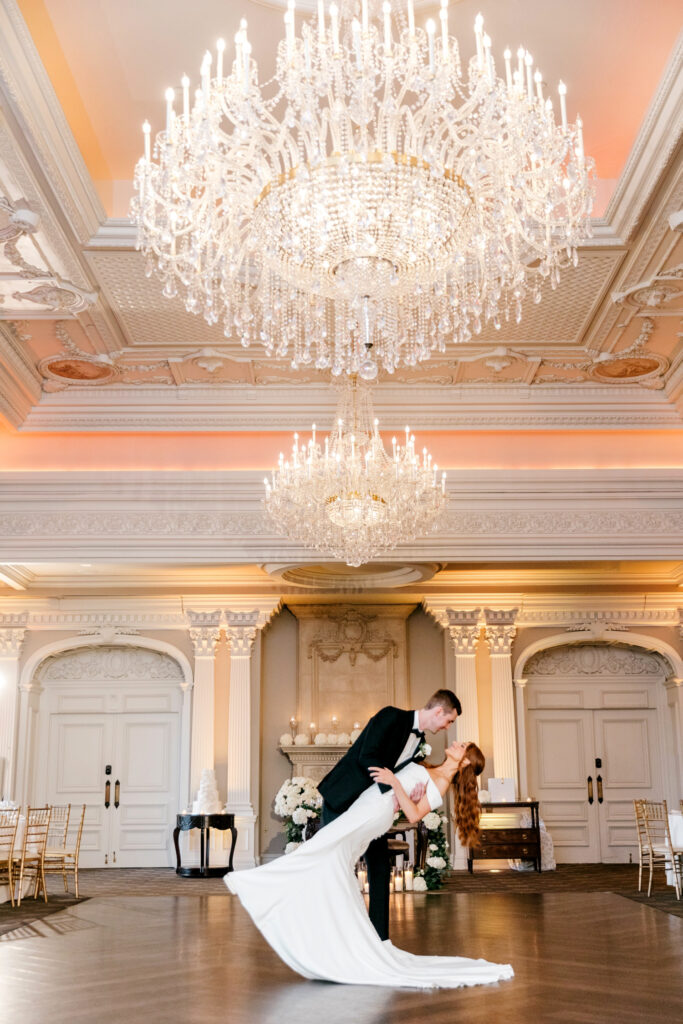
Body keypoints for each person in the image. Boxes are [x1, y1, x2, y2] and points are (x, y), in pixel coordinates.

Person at [226, 739, 514, 989]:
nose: (455, 744)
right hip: (372, 804)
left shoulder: (441, 782)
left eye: (461, 746)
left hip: (375, 812)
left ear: (464, 761)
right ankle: (336, 935)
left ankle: (256, 884)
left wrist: (396, 783)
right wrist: (401, 786)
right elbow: (410, 798)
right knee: (330, 855)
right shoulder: (434, 770)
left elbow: (414, 815)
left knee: (323, 847)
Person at [318, 690, 461, 940]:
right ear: (439, 711)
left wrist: (409, 793)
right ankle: (333, 932)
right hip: (343, 798)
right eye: (449, 721)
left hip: (373, 808)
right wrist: (391, 787)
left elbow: (402, 774)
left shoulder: (419, 742)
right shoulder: (391, 716)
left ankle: (379, 939)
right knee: (334, 863)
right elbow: (367, 756)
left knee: (380, 867)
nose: (447, 727)